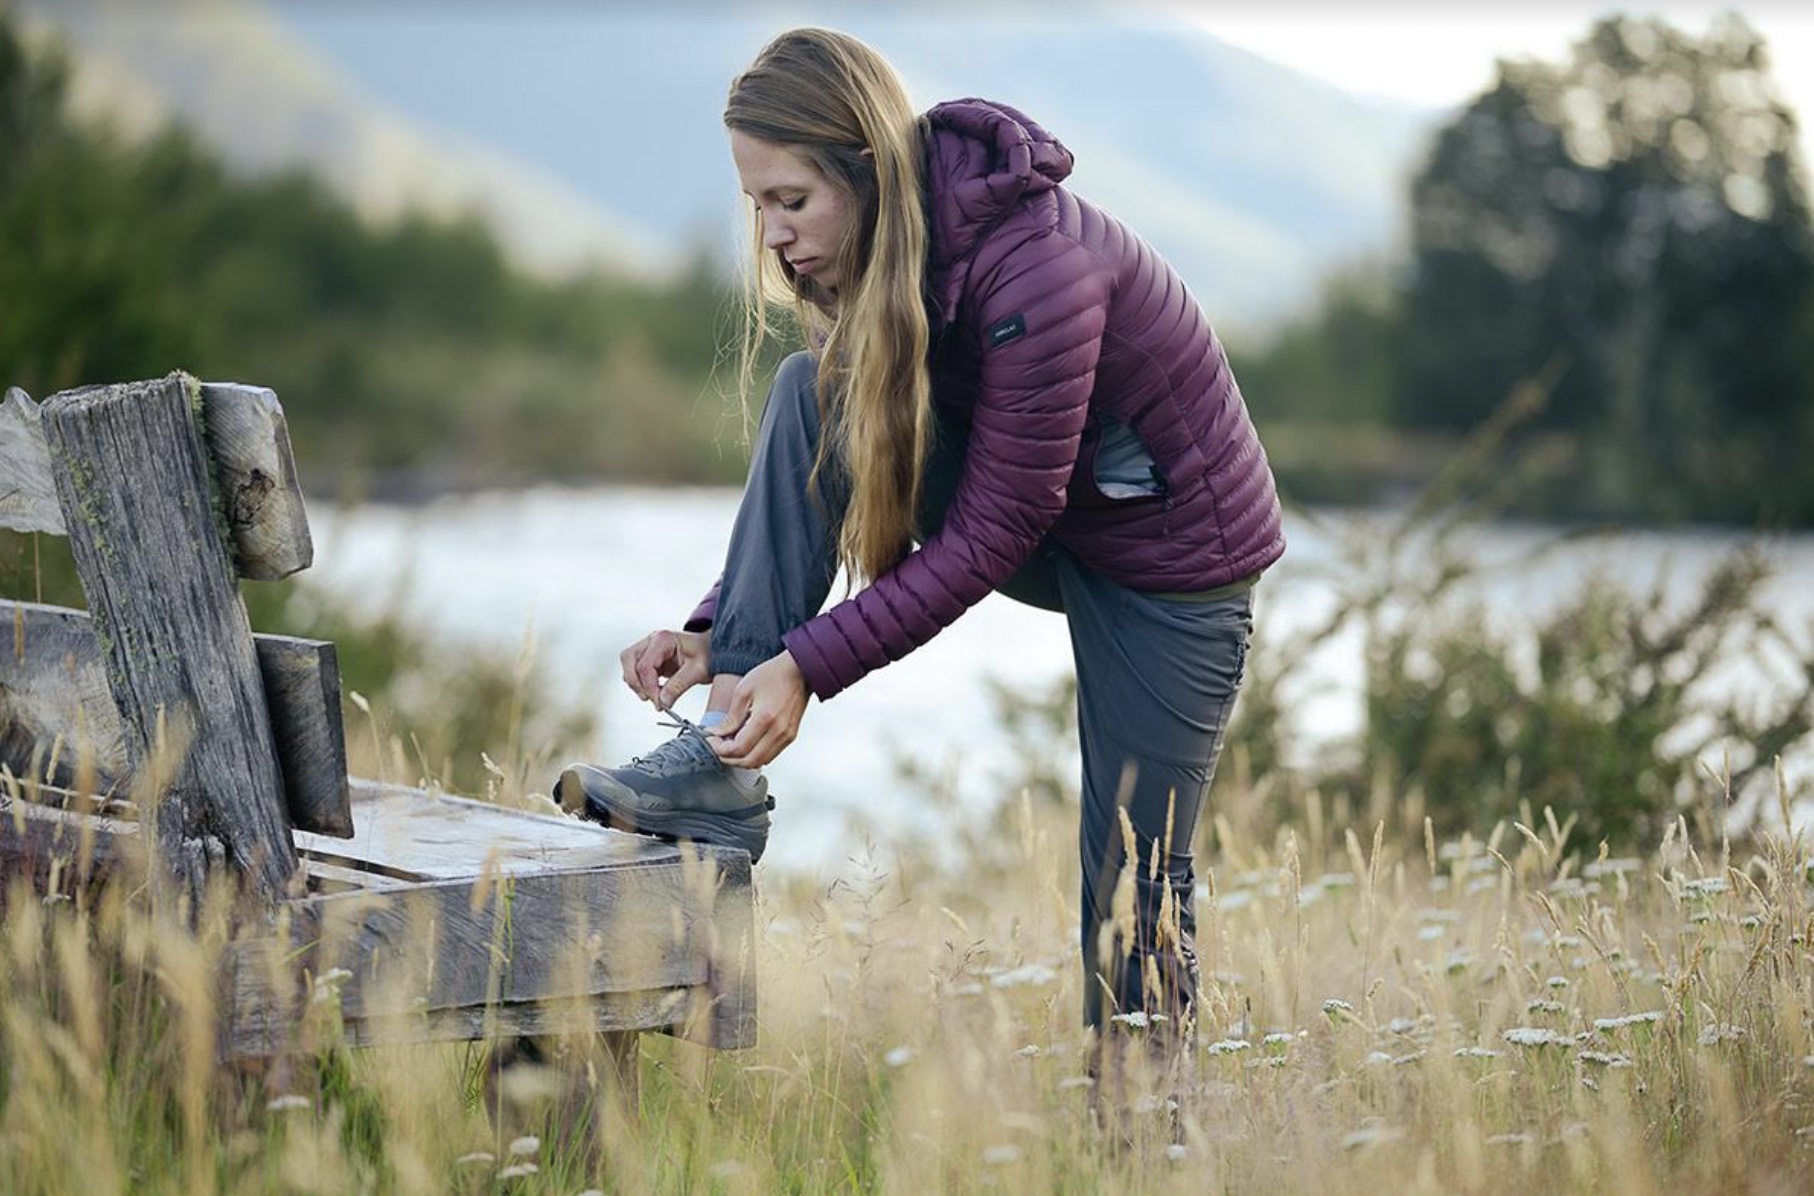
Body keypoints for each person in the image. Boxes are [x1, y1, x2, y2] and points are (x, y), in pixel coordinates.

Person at [557, 26, 1283, 1063]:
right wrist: (719, 630)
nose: (768, 235)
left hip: (1172, 554)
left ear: (864, 169)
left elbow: (998, 524)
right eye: (755, 204)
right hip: (1059, 511)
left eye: (790, 201)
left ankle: (1141, 1138)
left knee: (1131, 870)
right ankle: (718, 765)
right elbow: (856, 454)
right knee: (812, 393)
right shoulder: (879, 258)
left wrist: (807, 664)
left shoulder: (1037, 265)